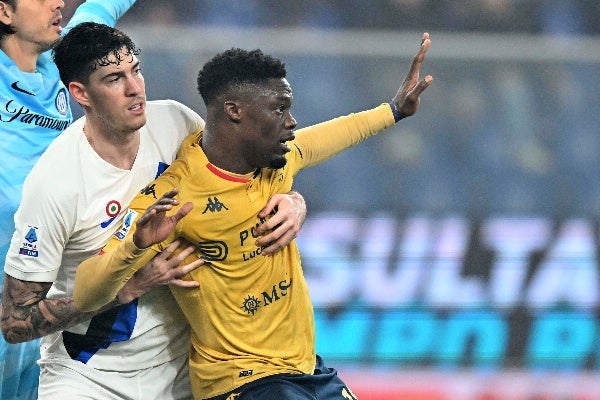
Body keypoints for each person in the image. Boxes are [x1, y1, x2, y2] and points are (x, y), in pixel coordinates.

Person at [73, 33, 433, 399]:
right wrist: (135, 246)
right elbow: (85, 293)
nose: (291, 122)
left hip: (306, 369)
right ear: (235, 111)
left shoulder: (274, 160)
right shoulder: (177, 196)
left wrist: (394, 110)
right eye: (279, 109)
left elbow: (330, 135)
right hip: (243, 382)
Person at [1, 22, 307, 399]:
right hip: (89, 377)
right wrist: (124, 288)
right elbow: (15, 323)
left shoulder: (177, 123)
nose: (135, 88)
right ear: (80, 93)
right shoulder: (54, 183)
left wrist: (293, 201)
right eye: (114, 79)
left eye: (136, 70)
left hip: (186, 368)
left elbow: (246, 177)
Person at [0, 1, 137, 398]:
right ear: (5, 12)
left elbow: (102, 5)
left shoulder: (65, 59)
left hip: (38, 283)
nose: (58, 2)